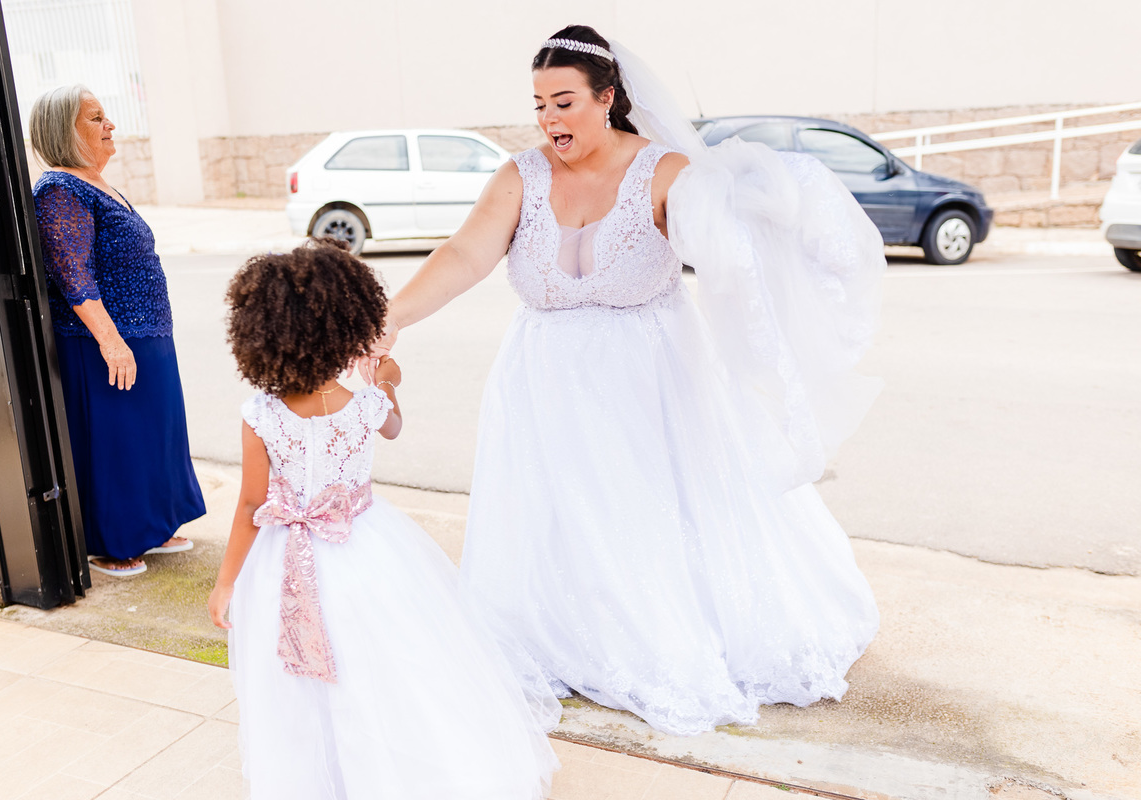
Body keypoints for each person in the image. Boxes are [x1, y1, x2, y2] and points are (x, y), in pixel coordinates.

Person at [369, 26, 887, 736]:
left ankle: (651, 632)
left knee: (641, 506)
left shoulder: (665, 172)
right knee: (560, 510)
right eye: (539, 105)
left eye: (564, 102)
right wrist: (389, 319)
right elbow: (464, 254)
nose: (549, 119)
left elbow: (729, 255)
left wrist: (761, 222)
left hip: (647, 375)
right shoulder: (520, 176)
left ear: (606, 98)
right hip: (544, 375)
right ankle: (564, 630)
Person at [208, 238, 559, 799]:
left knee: (293, 679)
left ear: (262, 336)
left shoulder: (261, 416)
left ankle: (316, 778)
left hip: (282, 559)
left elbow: (251, 505)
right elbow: (393, 427)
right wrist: (385, 378)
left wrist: (227, 580)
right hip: (365, 549)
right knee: (380, 665)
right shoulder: (365, 403)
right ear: (349, 330)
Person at [30, 85, 204, 578]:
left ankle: (154, 525)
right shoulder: (60, 189)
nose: (110, 126)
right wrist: (111, 341)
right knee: (120, 442)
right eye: (96, 118)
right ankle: (114, 542)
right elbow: (73, 276)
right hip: (105, 341)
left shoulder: (100, 184)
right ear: (64, 131)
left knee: (155, 435)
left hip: (147, 333)